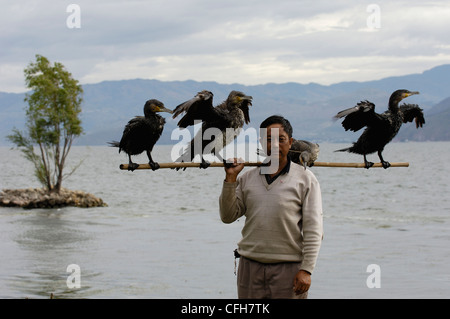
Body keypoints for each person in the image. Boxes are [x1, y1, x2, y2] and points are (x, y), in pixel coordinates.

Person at [219, 115, 323, 299]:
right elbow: (227, 216)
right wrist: (231, 178)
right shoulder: (246, 178)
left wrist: (306, 270)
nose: (274, 145)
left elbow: (314, 229)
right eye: (268, 139)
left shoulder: (306, 179)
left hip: (289, 269)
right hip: (249, 268)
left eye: (280, 139)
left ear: (290, 142)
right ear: (260, 142)